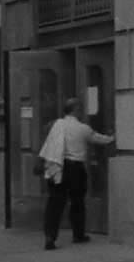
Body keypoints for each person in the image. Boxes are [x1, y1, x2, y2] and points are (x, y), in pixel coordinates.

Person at [39, 97, 115, 251]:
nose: (82, 111)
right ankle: (78, 234)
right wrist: (113, 137)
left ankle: (50, 237)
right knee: (77, 202)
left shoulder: (56, 124)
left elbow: (47, 139)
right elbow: (100, 139)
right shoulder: (83, 128)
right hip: (76, 169)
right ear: (76, 110)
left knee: (54, 204)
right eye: (80, 108)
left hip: (57, 166)